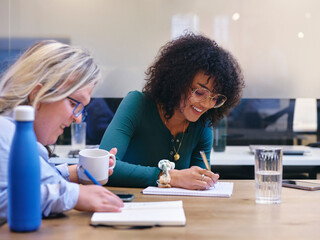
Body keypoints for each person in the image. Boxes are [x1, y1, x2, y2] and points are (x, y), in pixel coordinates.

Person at [100, 33, 244, 189]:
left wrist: (205, 180)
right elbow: (102, 166)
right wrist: (168, 176)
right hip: (126, 207)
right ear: (177, 82)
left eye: (215, 99)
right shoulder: (137, 104)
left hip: (177, 211)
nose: (206, 104)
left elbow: (198, 183)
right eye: (200, 93)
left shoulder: (203, 124)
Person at [0, 40, 123, 220]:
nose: (78, 118)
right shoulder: (5, 131)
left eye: (82, 109)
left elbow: (31, 183)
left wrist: (76, 172)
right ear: (37, 95)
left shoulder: (21, 138)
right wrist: (74, 195)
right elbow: (5, 199)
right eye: (73, 103)